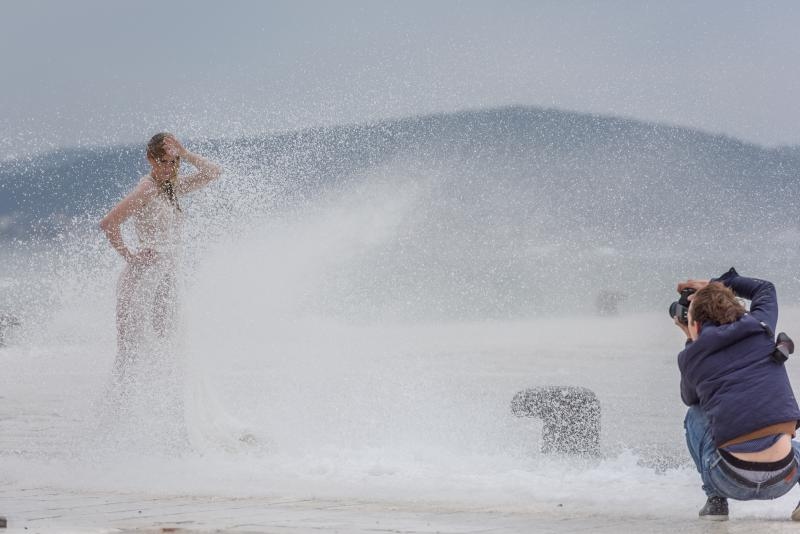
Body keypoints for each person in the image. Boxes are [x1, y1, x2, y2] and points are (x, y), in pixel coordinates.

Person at [674, 267, 800, 521]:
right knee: (790, 444)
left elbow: (691, 399)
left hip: (728, 479)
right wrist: (718, 283)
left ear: (695, 323)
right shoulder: (761, 326)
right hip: (784, 476)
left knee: (694, 414)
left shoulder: (691, 356)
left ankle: (715, 500)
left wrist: (691, 341)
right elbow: (765, 289)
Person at [100, 133, 222, 379]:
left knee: (169, 346)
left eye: (173, 162)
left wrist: (185, 154)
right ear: (150, 159)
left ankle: (161, 410)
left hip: (165, 278)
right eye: (163, 162)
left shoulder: (172, 188)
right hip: (144, 279)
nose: (168, 168)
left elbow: (214, 172)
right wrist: (130, 256)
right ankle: (121, 412)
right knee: (133, 353)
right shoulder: (147, 189)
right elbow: (109, 222)